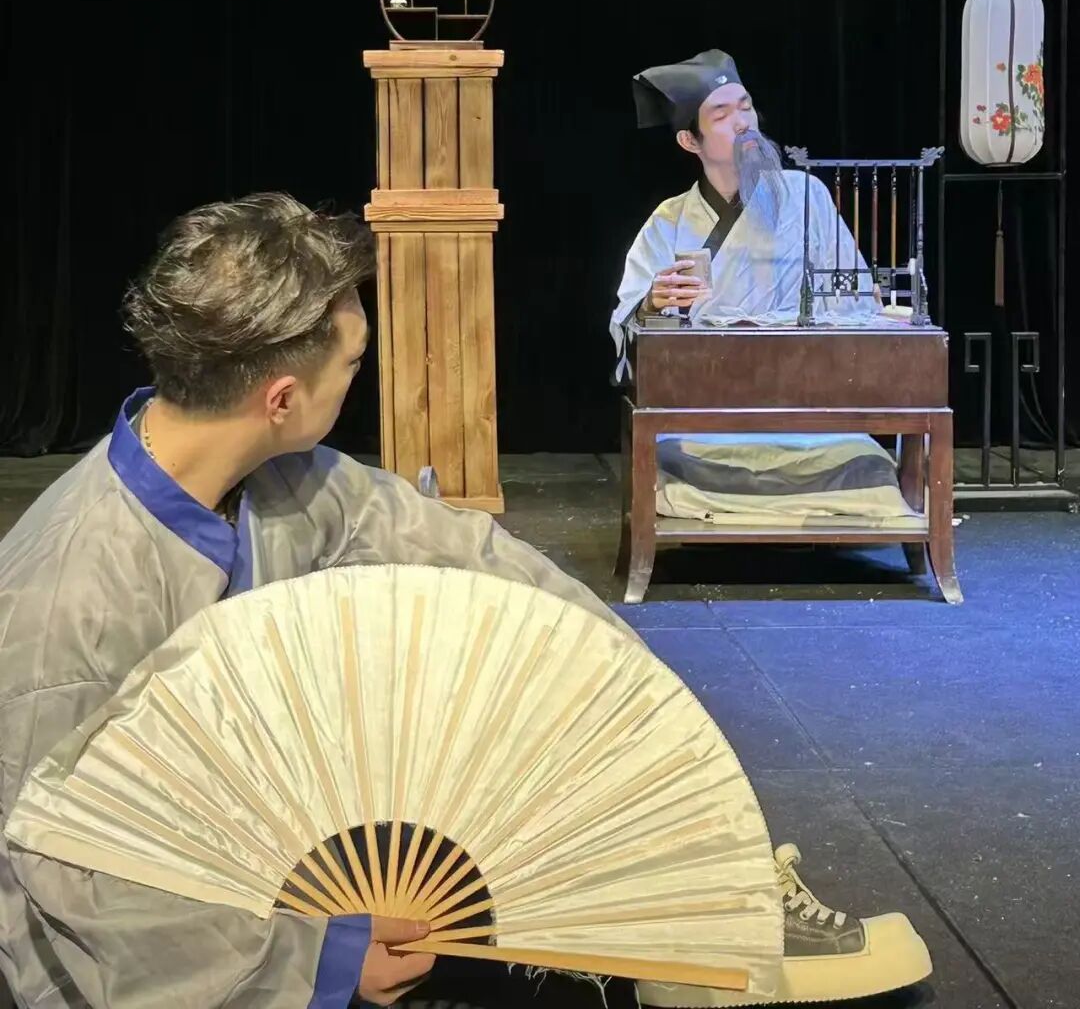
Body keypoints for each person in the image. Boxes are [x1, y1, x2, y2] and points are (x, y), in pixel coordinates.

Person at [0, 192, 931, 1009]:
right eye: (353, 364)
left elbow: (451, 548)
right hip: (131, 956)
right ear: (280, 398)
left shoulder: (275, 477)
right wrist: (319, 961)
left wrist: (615, 682)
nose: (357, 380)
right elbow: (68, 878)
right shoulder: (68, 602)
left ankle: (693, 898)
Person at [610, 50, 921, 530]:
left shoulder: (807, 196)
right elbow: (627, 327)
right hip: (707, 418)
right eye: (722, 115)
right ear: (689, 140)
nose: (743, 123)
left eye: (746, 106)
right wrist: (653, 302)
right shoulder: (669, 221)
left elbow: (858, 300)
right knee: (677, 460)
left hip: (806, 412)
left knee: (861, 462)